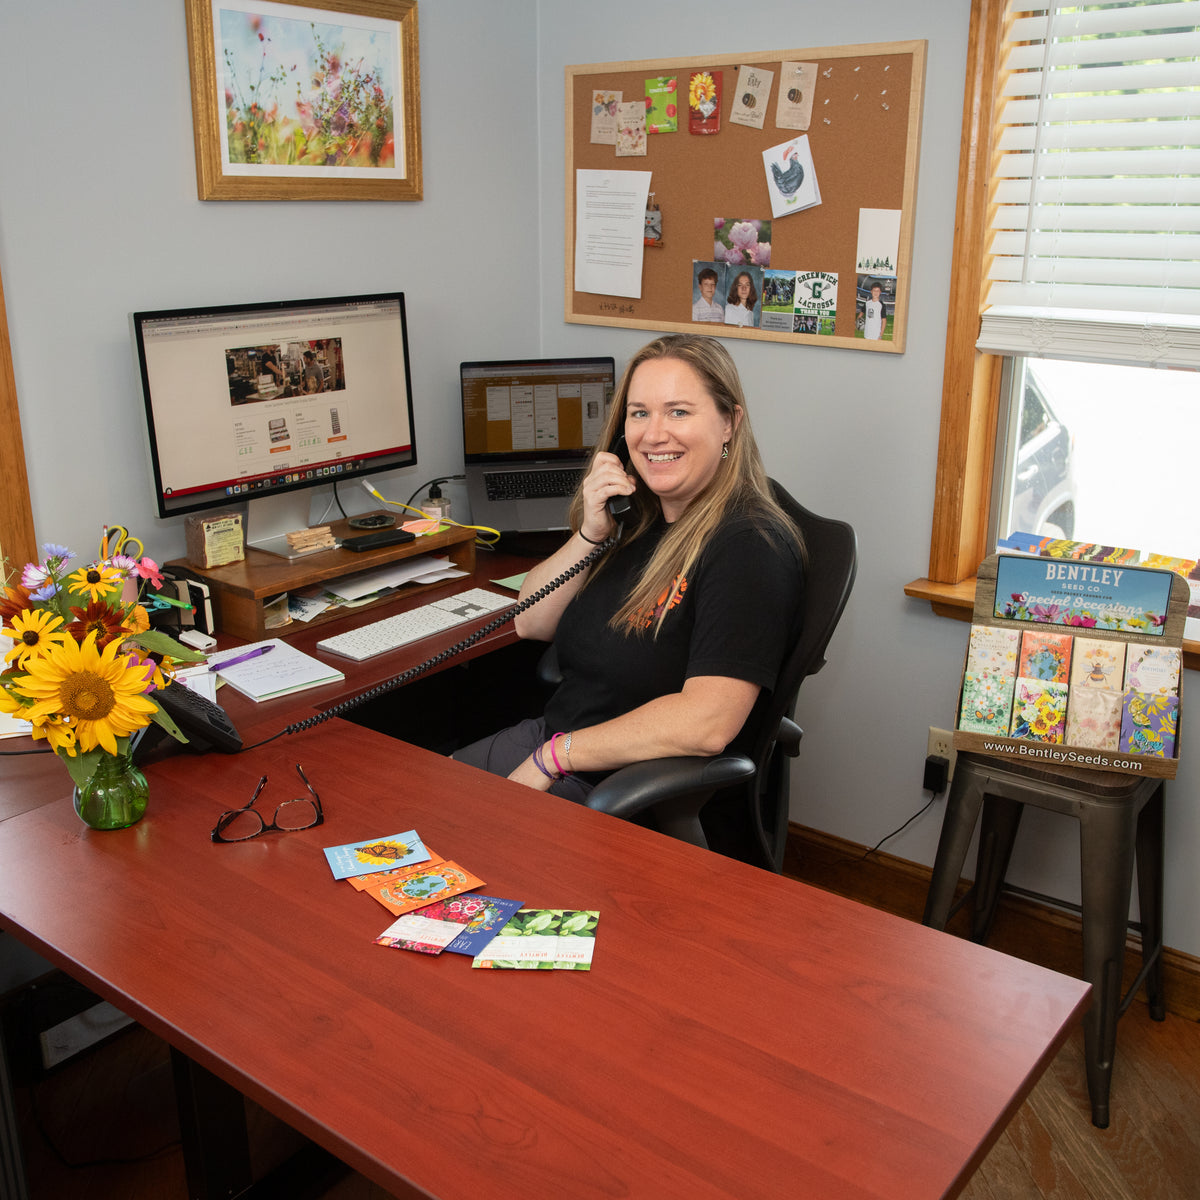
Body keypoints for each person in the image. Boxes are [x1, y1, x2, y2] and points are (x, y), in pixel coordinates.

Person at [452, 334, 806, 807]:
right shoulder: (638, 519)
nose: (654, 434)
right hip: (554, 745)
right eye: (639, 413)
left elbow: (707, 723)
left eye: (678, 411)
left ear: (729, 423)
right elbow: (530, 620)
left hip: (613, 786)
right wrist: (590, 532)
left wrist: (555, 757)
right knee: (401, 805)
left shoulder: (749, 546)